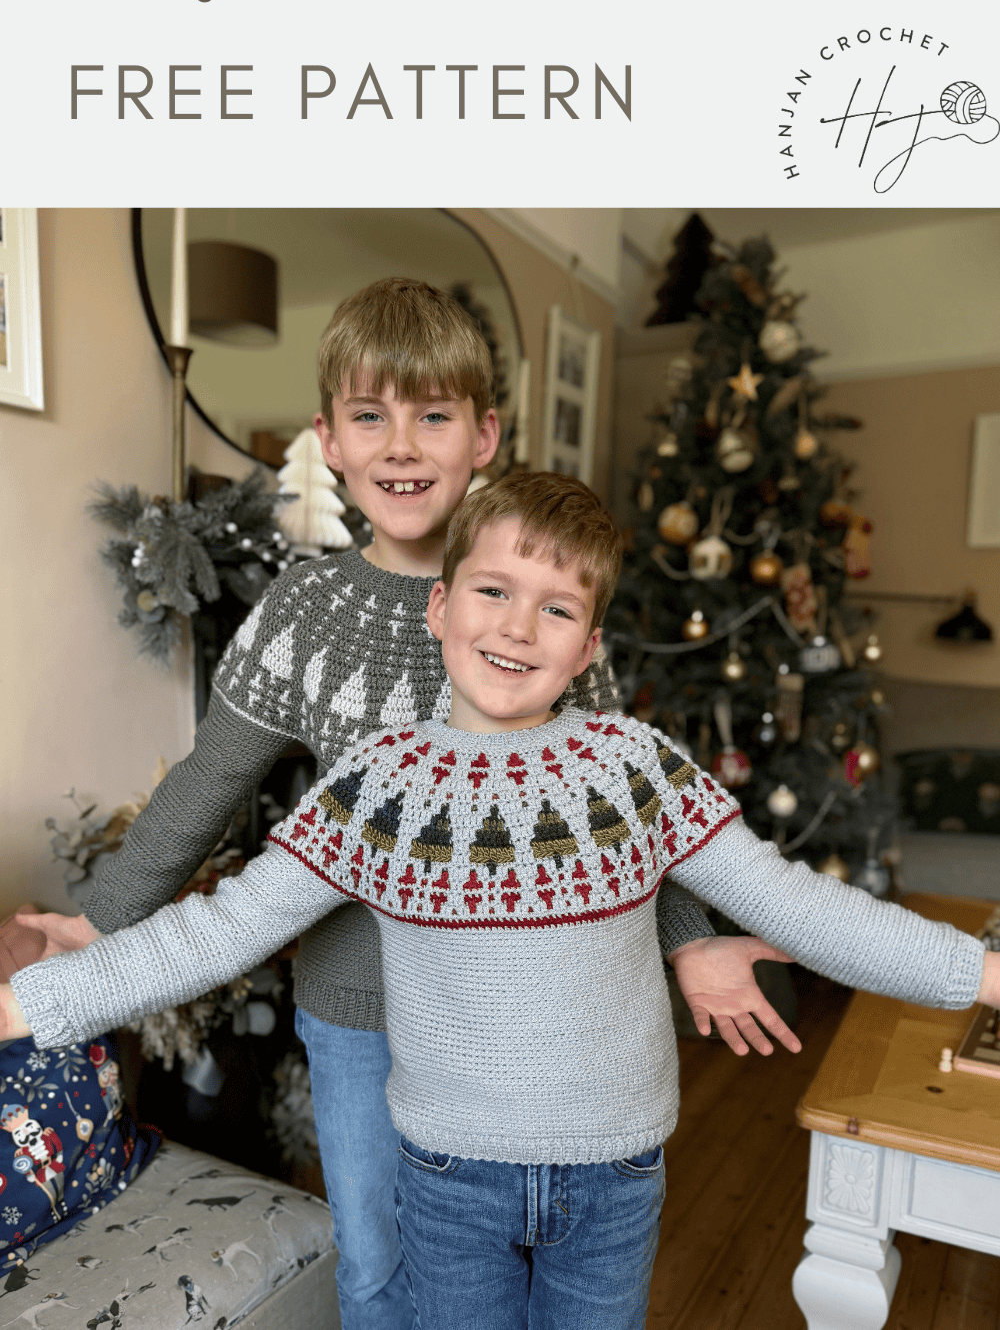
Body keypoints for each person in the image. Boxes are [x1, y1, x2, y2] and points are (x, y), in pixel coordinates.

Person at [5, 471, 997, 1330]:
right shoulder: (377, 788)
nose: (518, 626)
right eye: (492, 590)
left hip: (614, 1181)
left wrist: (980, 972)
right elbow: (222, 930)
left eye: (555, 609)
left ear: (586, 648)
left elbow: (800, 905)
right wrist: (37, 1005)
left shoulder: (634, 769)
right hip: (448, 1181)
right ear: (440, 609)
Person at [8, 282, 791, 1330]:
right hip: (357, 1012)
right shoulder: (306, 610)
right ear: (327, 440)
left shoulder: (537, 598)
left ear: (484, 436)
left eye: (432, 415)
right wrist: (103, 921)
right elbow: (205, 786)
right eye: (370, 416)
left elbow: (627, 810)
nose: (401, 444)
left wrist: (689, 937)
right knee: (377, 1270)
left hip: (524, 1029)